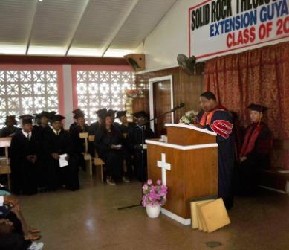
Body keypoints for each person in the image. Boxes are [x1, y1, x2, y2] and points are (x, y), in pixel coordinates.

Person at [197, 92, 235, 209]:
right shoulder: (202, 114)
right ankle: (210, 203)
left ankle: (223, 204)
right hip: (207, 152)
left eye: (204, 101)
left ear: (212, 100)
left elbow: (219, 133)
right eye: (201, 102)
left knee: (222, 178)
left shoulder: (223, 114)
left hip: (222, 153)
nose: (202, 105)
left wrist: (201, 129)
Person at [236, 103, 273, 194]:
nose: (252, 116)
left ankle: (248, 191)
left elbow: (262, 149)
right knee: (236, 163)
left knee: (246, 165)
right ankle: (239, 190)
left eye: (255, 113)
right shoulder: (250, 127)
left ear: (261, 115)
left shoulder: (264, 130)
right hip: (250, 156)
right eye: (251, 113)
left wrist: (247, 157)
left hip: (260, 158)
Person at [44, 115, 79, 191]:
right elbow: (46, 146)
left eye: (59, 123)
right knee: (49, 163)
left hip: (64, 155)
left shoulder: (66, 134)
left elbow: (70, 145)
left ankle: (68, 184)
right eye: (55, 123)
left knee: (72, 161)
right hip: (52, 156)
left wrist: (67, 153)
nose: (57, 125)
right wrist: (52, 153)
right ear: (52, 124)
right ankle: (54, 185)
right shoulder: (47, 134)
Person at [10, 115, 39, 195]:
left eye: (30, 125)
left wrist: (35, 155)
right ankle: (21, 189)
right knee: (22, 166)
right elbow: (14, 152)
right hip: (20, 160)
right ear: (22, 126)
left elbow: (39, 148)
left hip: (33, 159)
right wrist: (25, 157)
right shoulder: (16, 137)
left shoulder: (35, 135)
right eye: (27, 125)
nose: (30, 127)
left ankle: (33, 188)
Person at [95, 111, 124, 185]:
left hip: (115, 149)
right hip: (104, 151)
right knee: (112, 156)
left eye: (110, 118)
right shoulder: (100, 130)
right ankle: (109, 176)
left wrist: (119, 145)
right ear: (104, 120)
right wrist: (109, 146)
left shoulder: (115, 129)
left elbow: (121, 139)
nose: (109, 120)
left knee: (120, 154)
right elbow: (97, 144)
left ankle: (118, 176)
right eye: (107, 119)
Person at [128, 111, 154, 182]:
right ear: (137, 120)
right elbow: (129, 143)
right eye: (141, 118)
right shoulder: (132, 130)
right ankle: (140, 176)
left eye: (144, 118)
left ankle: (150, 175)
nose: (143, 120)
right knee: (139, 157)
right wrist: (135, 146)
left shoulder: (148, 130)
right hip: (136, 150)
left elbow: (153, 140)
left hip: (147, 150)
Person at [117, 111, 135, 181]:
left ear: (126, 117)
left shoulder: (133, 125)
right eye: (121, 118)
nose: (123, 119)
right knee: (127, 156)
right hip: (125, 146)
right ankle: (128, 175)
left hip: (134, 145)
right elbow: (120, 139)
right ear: (120, 120)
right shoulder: (119, 128)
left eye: (124, 117)